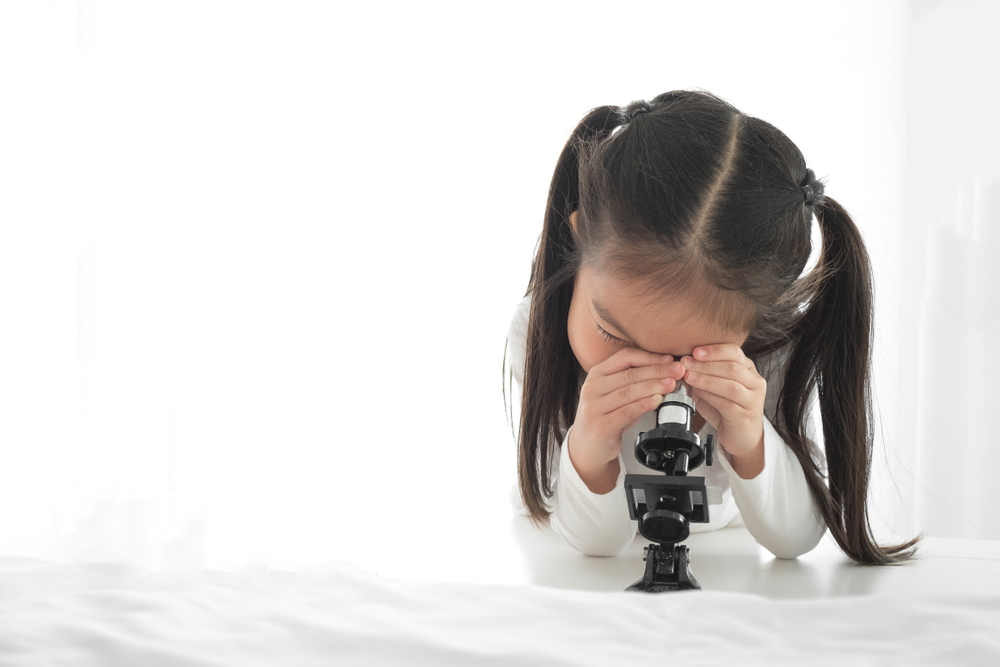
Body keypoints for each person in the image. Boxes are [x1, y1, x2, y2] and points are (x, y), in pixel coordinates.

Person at [503, 89, 921, 565]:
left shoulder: (771, 354)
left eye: (691, 354)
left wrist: (750, 440)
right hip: (555, 549)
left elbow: (795, 541)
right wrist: (590, 447)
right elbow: (596, 546)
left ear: (758, 324)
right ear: (578, 238)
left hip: (727, 560)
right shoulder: (538, 334)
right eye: (613, 334)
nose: (653, 370)